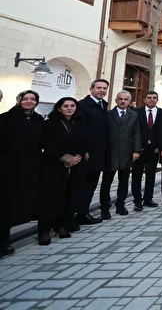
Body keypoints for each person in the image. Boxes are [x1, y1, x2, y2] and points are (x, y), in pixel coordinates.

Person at [37, 97, 89, 245]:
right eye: (66, 106)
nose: (69, 108)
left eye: (72, 106)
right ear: (59, 108)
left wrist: (78, 156)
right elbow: (47, 143)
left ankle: (61, 225)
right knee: (50, 197)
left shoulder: (80, 123)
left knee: (68, 196)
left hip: (75, 165)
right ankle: (44, 230)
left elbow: (86, 141)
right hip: (54, 164)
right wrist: (65, 158)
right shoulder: (49, 123)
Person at [0, 90, 43, 257]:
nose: (29, 101)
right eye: (26, 99)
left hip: (29, 169)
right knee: (5, 206)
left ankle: (5, 241)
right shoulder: (6, 118)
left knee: (17, 206)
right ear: (19, 100)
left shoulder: (38, 119)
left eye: (33, 99)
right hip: (7, 169)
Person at [100, 91, 142, 219]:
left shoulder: (134, 115)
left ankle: (120, 205)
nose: (123, 101)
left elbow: (137, 133)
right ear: (116, 101)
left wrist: (136, 150)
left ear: (129, 101)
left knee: (123, 181)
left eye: (126, 99)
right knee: (107, 182)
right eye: (120, 99)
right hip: (111, 153)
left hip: (126, 152)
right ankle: (105, 208)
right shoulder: (108, 114)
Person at [75, 79, 109, 226]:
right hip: (87, 154)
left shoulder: (102, 105)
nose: (102, 90)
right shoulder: (83, 106)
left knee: (91, 185)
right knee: (83, 186)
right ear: (91, 89)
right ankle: (78, 214)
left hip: (98, 153)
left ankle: (83, 213)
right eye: (99, 88)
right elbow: (80, 130)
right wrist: (84, 150)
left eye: (104, 88)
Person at [132, 91, 162, 211]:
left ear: (157, 100)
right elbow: (134, 131)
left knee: (151, 175)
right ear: (144, 100)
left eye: (154, 98)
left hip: (154, 150)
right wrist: (136, 147)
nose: (152, 99)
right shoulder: (136, 112)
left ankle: (148, 199)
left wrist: (159, 147)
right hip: (140, 150)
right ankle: (137, 200)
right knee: (137, 175)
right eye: (149, 97)